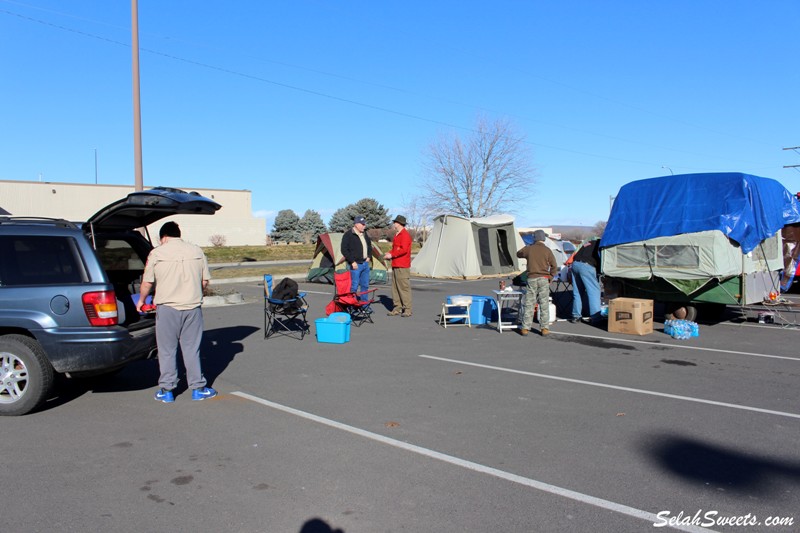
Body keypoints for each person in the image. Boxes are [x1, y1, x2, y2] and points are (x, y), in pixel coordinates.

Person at [136, 221, 217, 403]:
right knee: (191, 349)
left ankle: (167, 390)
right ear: (178, 234)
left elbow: (147, 283)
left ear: (163, 237)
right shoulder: (197, 251)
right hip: (192, 308)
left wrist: (141, 301)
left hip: (167, 308)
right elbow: (204, 282)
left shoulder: (156, 253)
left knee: (166, 350)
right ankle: (198, 388)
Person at [516, 229, 558, 336]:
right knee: (544, 303)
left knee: (529, 303)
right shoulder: (547, 250)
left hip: (532, 278)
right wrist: (550, 277)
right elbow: (554, 266)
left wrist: (528, 246)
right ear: (544, 238)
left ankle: (525, 327)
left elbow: (518, 253)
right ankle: (544, 328)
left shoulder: (529, 249)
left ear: (534, 238)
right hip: (544, 278)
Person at [384, 215, 413, 317]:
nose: (394, 224)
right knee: (395, 287)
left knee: (404, 288)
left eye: (395, 222)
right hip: (396, 264)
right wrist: (389, 253)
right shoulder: (397, 235)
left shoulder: (405, 235)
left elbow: (404, 249)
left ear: (399, 223)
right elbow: (396, 249)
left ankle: (407, 309)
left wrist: (392, 254)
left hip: (403, 265)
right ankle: (397, 307)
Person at [341, 215, 372, 305]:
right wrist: (352, 261)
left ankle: (364, 305)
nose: (364, 226)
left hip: (365, 263)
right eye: (362, 224)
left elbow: (369, 246)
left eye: (364, 224)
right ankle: (352, 304)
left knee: (365, 285)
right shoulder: (348, 235)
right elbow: (344, 250)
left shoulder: (364, 234)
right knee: (354, 286)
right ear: (356, 224)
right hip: (355, 264)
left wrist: (369, 256)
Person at [570, 238, 602, 323]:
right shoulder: (600, 245)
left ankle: (576, 316)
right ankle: (596, 317)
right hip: (587, 265)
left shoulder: (589, 243)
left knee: (577, 292)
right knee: (594, 291)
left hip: (575, 264)